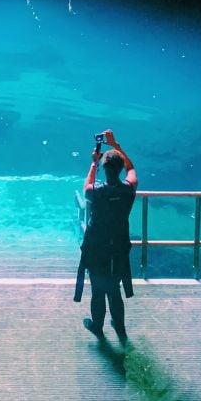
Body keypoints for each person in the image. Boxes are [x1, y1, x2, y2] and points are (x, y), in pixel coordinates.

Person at [74, 129, 137, 344]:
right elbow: (131, 168)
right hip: (119, 247)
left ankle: (97, 327)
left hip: (97, 247)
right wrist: (116, 145)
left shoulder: (96, 192)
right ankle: (119, 327)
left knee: (98, 288)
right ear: (119, 169)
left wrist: (93, 162)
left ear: (102, 167)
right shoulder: (129, 189)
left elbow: (87, 185)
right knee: (115, 288)